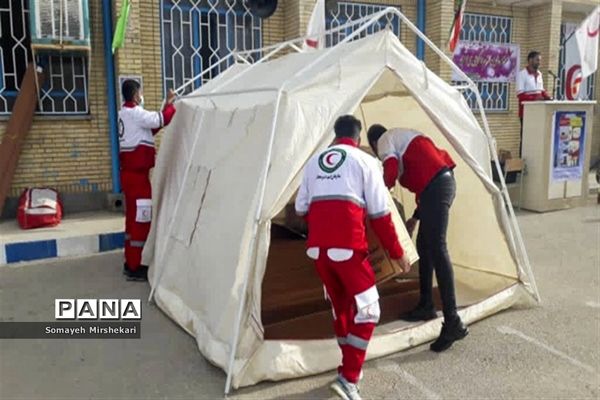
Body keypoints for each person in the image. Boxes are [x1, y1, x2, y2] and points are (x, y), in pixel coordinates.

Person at [296, 115, 410, 400]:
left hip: (318, 251)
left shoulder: (313, 161)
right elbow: (382, 216)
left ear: (335, 136)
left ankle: (347, 369)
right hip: (348, 249)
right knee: (370, 309)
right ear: (358, 139)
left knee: (342, 309)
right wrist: (398, 254)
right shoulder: (365, 162)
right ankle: (349, 379)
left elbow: (300, 209)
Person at [367, 125, 468, 353]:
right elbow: (426, 175)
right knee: (425, 246)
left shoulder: (384, 139)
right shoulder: (403, 136)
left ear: (374, 144)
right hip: (439, 184)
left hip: (436, 187)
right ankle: (426, 304)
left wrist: (382, 193)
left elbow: (391, 168)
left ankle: (452, 321)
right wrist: (415, 217)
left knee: (438, 249)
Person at [119, 80, 176, 281]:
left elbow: (150, 129)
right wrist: (172, 105)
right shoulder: (135, 113)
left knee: (132, 220)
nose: (141, 95)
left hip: (131, 176)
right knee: (141, 220)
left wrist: (165, 108)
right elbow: (161, 119)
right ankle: (136, 266)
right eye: (140, 92)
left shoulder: (124, 114)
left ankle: (130, 261)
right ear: (135, 95)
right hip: (137, 177)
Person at [516, 51, 552, 155]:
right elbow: (520, 95)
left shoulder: (540, 74)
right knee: (526, 138)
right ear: (530, 60)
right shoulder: (522, 74)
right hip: (526, 113)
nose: (539, 63)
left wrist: (548, 97)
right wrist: (535, 98)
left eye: (540, 60)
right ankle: (522, 162)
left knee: (537, 139)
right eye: (537, 60)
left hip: (539, 112)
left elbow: (541, 91)